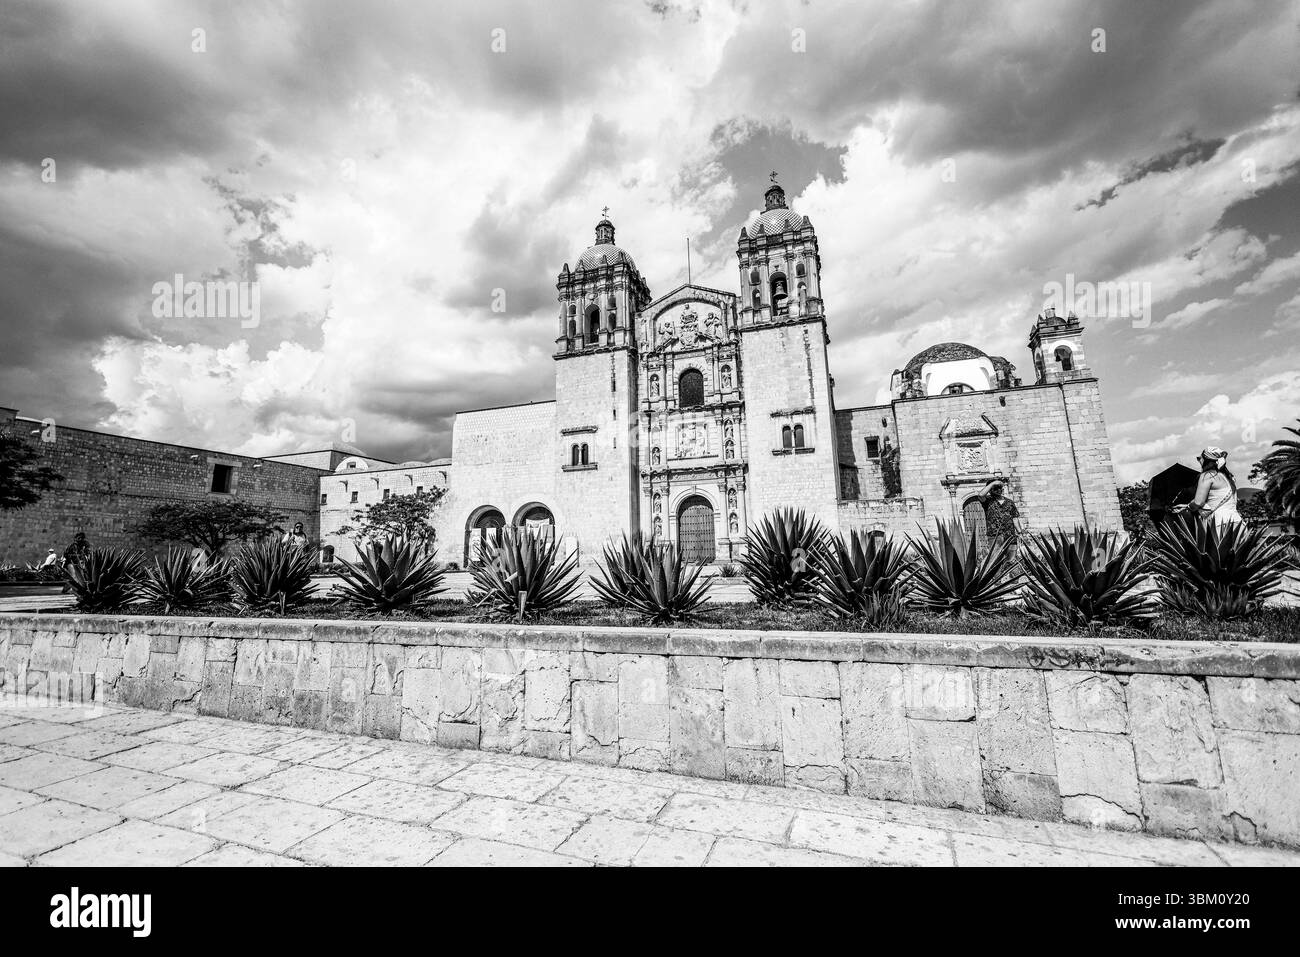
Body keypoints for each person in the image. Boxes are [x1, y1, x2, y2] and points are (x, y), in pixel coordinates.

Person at [1186, 446, 1241, 526]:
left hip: (1221, 523)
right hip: (1238, 521)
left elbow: (1199, 502)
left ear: (1206, 459)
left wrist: (1188, 506)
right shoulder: (1229, 477)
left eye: (1199, 458)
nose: (1199, 461)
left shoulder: (1208, 475)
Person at [978, 481, 1022, 550]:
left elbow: (1015, 518)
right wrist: (993, 483)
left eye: (1000, 488)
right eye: (995, 488)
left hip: (1010, 535)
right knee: (996, 559)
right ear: (990, 490)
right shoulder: (988, 501)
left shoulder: (1010, 502)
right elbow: (981, 495)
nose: (998, 490)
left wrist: (1020, 533)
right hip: (994, 536)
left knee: (1010, 559)